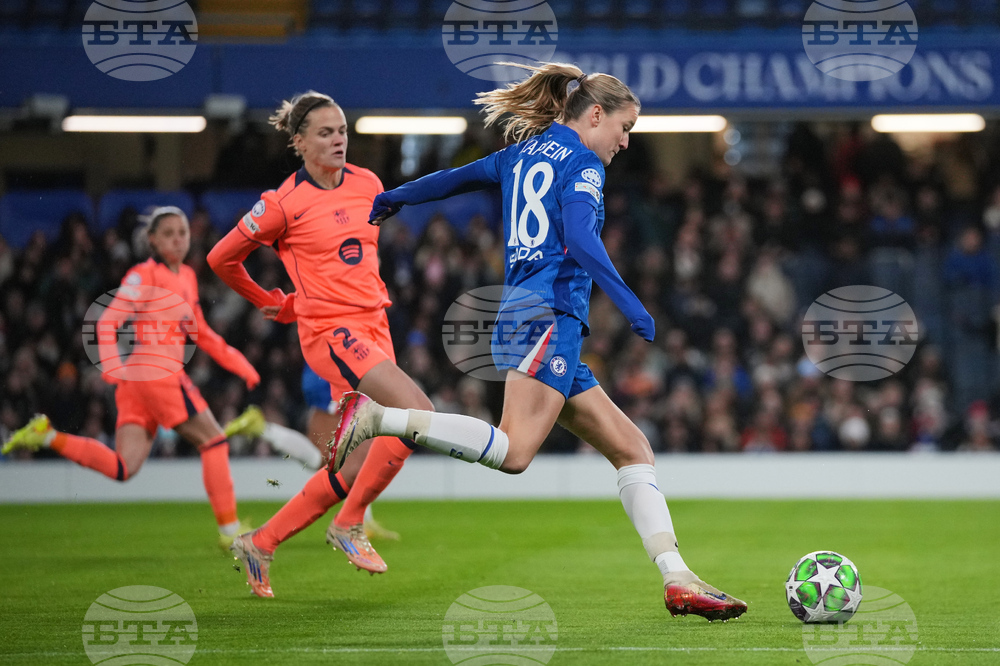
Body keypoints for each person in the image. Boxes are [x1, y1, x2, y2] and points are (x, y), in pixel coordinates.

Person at [329, 63, 747, 621]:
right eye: (624, 127)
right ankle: (379, 419)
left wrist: (396, 196)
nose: (626, 142)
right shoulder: (584, 163)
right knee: (515, 451)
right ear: (594, 115)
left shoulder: (523, 153)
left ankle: (677, 578)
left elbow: (458, 178)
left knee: (632, 449)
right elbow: (578, 235)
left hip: (534, 315)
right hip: (549, 317)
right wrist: (630, 302)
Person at [207, 91, 433, 596]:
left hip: (376, 324)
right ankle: (349, 525)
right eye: (326, 132)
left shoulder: (368, 184)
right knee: (419, 413)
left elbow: (351, 258)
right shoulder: (281, 204)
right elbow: (221, 258)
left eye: (343, 131)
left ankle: (261, 542)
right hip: (332, 333)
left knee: (354, 467)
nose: (338, 140)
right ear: (299, 142)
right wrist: (270, 299)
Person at [2, 207, 257, 548]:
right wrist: (110, 365)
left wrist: (240, 364)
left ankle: (48, 437)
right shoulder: (144, 274)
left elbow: (202, 332)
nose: (178, 239)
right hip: (159, 374)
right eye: (169, 233)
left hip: (140, 382)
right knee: (214, 441)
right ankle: (231, 533)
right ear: (151, 240)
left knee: (124, 467)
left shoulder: (187, 277)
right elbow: (107, 321)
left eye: (182, 232)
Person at [223, 363, 400, 538]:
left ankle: (362, 521)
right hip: (336, 370)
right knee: (333, 461)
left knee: (346, 458)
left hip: (328, 370)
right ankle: (262, 428)